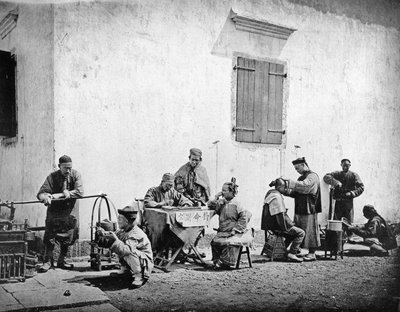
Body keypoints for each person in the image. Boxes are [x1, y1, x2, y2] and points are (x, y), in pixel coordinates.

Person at [37, 155, 84, 272]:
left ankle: (62, 260)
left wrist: (62, 194)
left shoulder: (76, 175)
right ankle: (47, 261)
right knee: (50, 237)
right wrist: (45, 197)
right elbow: (41, 192)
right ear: (59, 166)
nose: (68, 171)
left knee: (68, 236)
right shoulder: (52, 177)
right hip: (55, 212)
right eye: (65, 168)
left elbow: (80, 192)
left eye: (70, 168)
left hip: (70, 212)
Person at [96, 205, 154, 289]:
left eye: (120, 219)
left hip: (144, 262)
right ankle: (125, 270)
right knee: (119, 244)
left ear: (127, 221)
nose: (118, 221)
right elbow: (115, 236)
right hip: (136, 260)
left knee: (127, 250)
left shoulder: (136, 234)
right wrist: (105, 234)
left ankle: (139, 276)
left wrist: (114, 240)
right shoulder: (124, 230)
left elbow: (126, 250)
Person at [207, 178, 252, 269]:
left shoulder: (238, 203)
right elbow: (210, 207)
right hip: (223, 231)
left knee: (229, 243)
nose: (222, 192)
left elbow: (244, 217)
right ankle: (218, 261)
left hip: (236, 231)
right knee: (214, 242)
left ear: (231, 192)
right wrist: (216, 198)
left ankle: (223, 263)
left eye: (224, 190)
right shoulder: (221, 202)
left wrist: (235, 230)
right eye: (222, 190)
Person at [285, 157, 321, 261]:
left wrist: (288, 183)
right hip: (300, 208)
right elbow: (295, 193)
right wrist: (284, 190)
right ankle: (296, 250)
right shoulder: (301, 178)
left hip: (309, 208)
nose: (296, 170)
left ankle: (312, 253)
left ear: (304, 165)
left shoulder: (312, 176)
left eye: (297, 168)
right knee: (299, 230)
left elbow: (305, 187)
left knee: (310, 231)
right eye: (295, 168)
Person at [262, 178, 305, 262]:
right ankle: (292, 253)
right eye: (284, 187)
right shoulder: (276, 197)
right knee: (301, 233)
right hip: (276, 226)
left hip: (270, 225)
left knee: (292, 233)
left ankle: (282, 251)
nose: (286, 189)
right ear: (279, 187)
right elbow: (280, 215)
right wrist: (286, 227)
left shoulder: (270, 194)